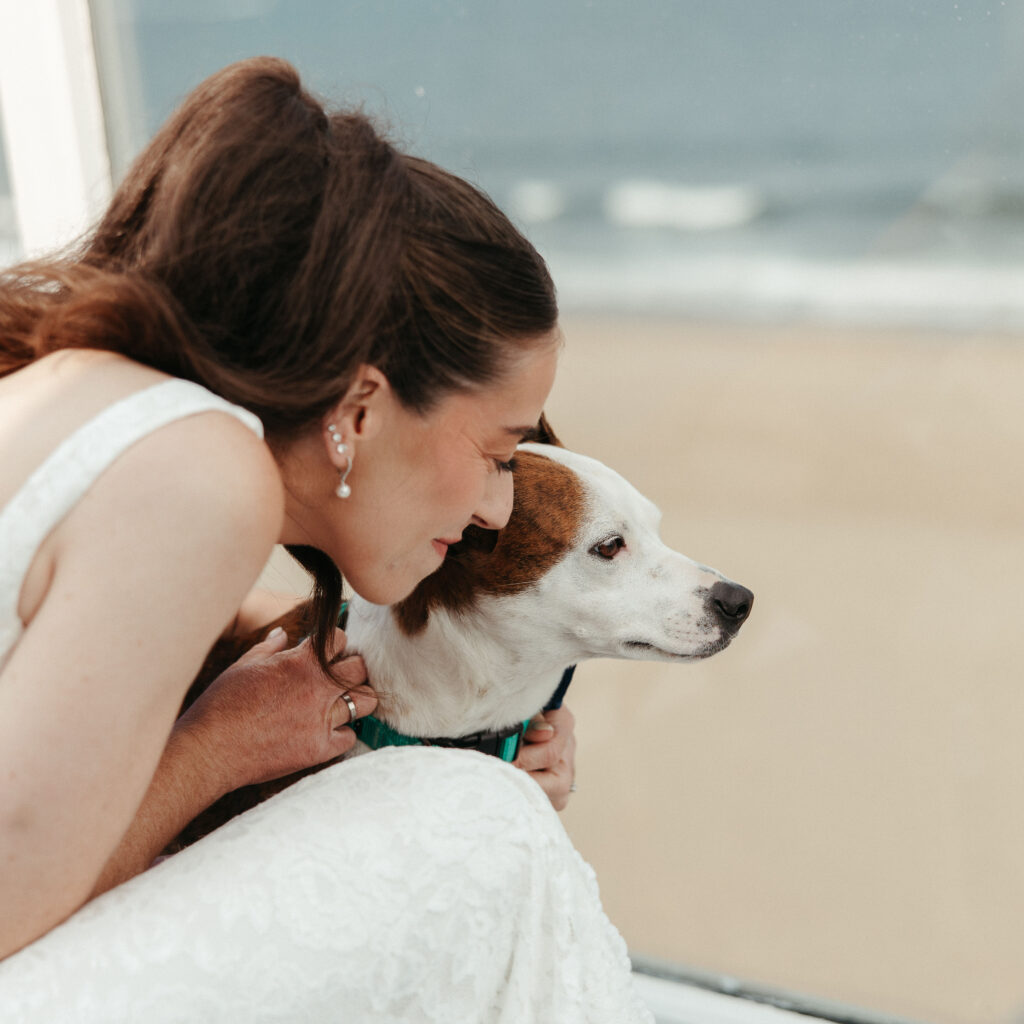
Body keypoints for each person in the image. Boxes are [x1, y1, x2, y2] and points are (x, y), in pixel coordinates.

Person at [0, 57, 652, 1021]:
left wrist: (454, 718)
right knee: (485, 823)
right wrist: (219, 745)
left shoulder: (94, 397)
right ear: (361, 404)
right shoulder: (201, 477)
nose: (496, 508)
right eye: (499, 451)